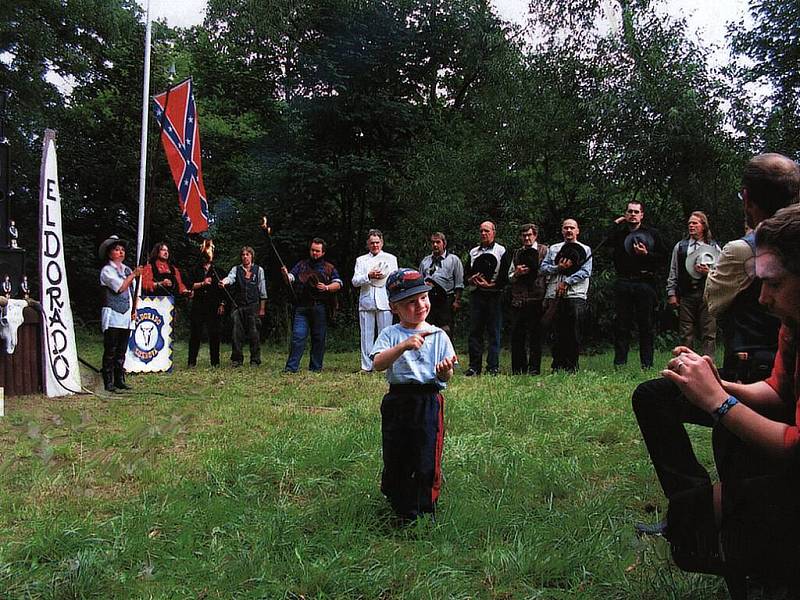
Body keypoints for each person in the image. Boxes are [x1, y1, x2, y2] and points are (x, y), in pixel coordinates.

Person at [635, 204, 800, 593]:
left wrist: (717, 403)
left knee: (696, 522)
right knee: (691, 516)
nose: (762, 298)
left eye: (774, 283)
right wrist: (718, 385)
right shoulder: (792, 326)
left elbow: (795, 450)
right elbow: (778, 392)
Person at [371, 268, 457, 522]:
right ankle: (398, 502)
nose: (419, 305)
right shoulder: (390, 335)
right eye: (410, 302)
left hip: (427, 400)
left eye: (423, 298)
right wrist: (404, 346)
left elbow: (446, 376)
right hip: (398, 400)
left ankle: (424, 508)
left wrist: (444, 372)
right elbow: (378, 363)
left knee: (425, 453)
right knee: (396, 452)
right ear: (394, 307)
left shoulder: (438, 335)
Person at [706, 153, 800, 384]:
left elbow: (714, 302)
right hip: (783, 368)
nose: (764, 298)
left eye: (774, 282)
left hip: (752, 368)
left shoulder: (744, 249)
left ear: (746, 198)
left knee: (651, 395)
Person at [609, 201, 668, 369]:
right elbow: (603, 241)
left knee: (646, 325)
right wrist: (615, 223)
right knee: (621, 325)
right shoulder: (619, 234)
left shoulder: (652, 233)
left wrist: (647, 254)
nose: (633, 214)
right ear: (625, 214)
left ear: (642, 215)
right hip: (623, 282)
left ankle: (647, 364)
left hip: (645, 283)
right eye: (629, 211)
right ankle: (620, 364)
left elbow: (664, 258)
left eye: (636, 212)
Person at [280, 237, 343, 373]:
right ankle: (290, 369)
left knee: (318, 338)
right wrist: (286, 274)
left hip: (320, 307)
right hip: (301, 307)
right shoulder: (301, 265)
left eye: (317, 251)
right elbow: (290, 278)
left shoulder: (328, 268)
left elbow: (338, 283)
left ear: (323, 252)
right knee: (298, 337)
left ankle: (315, 368)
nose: (314, 253)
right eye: (312, 250)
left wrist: (326, 287)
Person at [666, 212, 721, 357]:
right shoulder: (681, 247)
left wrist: (708, 272)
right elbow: (674, 271)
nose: (691, 225)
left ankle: (708, 365)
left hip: (707, 294)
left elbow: (722, 272)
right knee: (685, 332)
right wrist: (671, 293)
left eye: (695, 223)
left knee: (709, 332)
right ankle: (686, 364)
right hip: (686, 293)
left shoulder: (714, 247)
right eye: (690, 223)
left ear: (703, 226)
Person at [541, 219, 592, 373]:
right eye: (566, 228)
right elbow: (543, 268)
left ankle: (572, 367)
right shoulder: (554, 249)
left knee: (573, 332)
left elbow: (585, 271)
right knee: (556, 332)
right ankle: (557, 366)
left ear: (578, 231)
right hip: (555, 295)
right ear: (562, 231)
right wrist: (558, 268)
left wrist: (567, 282)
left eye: (572, 228)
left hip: (576, 295)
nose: (569, 230)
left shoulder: (586, 249)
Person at [464, 221, 509, 376]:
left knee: (493, 332)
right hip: (477, 294)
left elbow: (504, 277)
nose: (484, 234)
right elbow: (466, 274)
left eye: (487, 231)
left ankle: (492, 367)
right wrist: (472, 279)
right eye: (481, 231)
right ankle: (474, 367)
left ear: (493, 232)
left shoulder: (501, 251)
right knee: (475, 331)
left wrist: (490, 285)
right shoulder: (473, 252)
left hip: (494, 295)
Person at [98, 235, 142, 392]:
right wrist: (133, 275)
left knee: (121, 350)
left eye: (122, 250)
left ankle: (119, 379)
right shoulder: (107, 271)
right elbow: (120, 287)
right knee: (111, 349)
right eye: (117, 250)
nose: (121, 252)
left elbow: (133, 292)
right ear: (110, 253)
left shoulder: (128, 270)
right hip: (113, 315)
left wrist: (134, 310)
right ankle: (108, 381)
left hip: (126, 316)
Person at [352, 229, 398, 372]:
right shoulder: (361, 260)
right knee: (366, 335)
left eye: (377, 242)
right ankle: (366, 366)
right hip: (366, 301)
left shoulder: (391, 258)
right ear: (368, 244)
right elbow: (355, 281)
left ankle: (384, 365)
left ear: (382, 243)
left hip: (385, 301)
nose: (375, 245)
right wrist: (368, 275)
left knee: (385, 334)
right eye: (372, 243)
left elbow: (396, 279)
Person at [508, 223, 549, 375]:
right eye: (524, 235)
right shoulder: (517, 253)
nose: (526, 238)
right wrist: (517, 273)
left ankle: (534, 368)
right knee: (517, 335)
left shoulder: (544, 251)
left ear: (535, 235)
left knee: (535, 336)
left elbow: (549, 274)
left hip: (537, 299)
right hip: (519, 299)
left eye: (529, 235)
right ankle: (518, 369)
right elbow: (510, 277)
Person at [220, 246, 267, 366]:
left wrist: (262, 308)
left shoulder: (259, 270)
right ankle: (236, 360)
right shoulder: (236, 269)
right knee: (236, 333)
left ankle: (255, 360)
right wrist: (224, 282)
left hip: (253, 306)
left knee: (254, 334)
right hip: (238, 306)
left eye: (247, 254)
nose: (245, 257)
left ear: (252, 256)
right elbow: (230, 278)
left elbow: (262, 290)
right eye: (243, 255)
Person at [418, 232, 464, 340]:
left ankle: (447, 354)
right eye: (433, 242)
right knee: (427, 328)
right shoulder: (425, 261)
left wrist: (457, 301)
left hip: (446, 300)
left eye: (438, 242)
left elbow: (459, 283)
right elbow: (419, 281)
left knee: (446, 329)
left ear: (444, 243)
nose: (435, 245)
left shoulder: (453, 260)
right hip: (428, 299)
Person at [187, 239, 224, 367]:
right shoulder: (194, 270)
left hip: (213, 305)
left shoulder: (218, 271)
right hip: (198, 304)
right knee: (195, 333)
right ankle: (192, 362)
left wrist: (222, 304)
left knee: (214, 334)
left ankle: (215, 362)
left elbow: (224, 290)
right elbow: (189, 286)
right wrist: (202, 283)